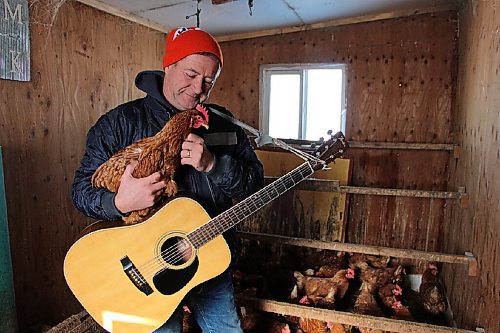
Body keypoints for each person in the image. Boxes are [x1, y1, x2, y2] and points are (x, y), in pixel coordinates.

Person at [71, 27, 264, 333]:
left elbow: (254, 184)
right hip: (148, 268)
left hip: (210, 260)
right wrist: (119, 202)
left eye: (208, 81)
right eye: (190, 73)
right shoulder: (120, 123)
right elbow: (81, 192)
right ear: (168, 66)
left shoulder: (223, 125)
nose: (198, 87)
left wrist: (213, 164)